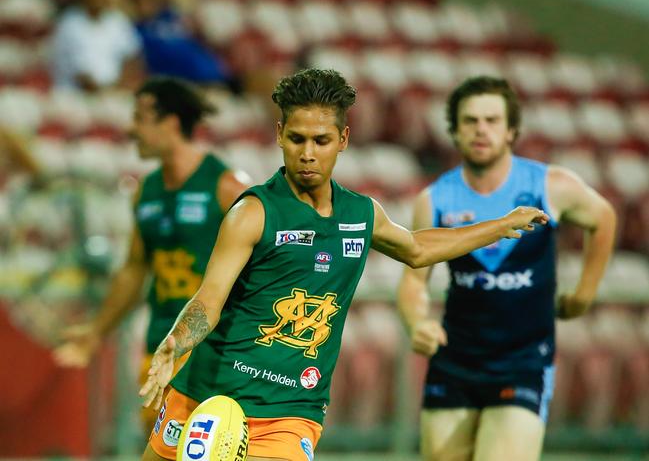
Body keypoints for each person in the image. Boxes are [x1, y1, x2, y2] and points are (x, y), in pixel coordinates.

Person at [138, 68, 549, 461]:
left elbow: (418, 248)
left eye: (321, 140)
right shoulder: (253, 213)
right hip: (208, 394)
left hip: (290, 409)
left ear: (343, 139)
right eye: (297, 139)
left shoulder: (362, 213)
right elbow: (209, 298)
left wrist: (499, 226)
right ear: (279, 135)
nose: (308, 154)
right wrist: (178, 340)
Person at [397, 76, 616, 461]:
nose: (481, 129)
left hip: (523, 362)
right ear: (454, 131)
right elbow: (414, 281)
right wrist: (418, 323)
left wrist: (583, 295)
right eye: (470, 120)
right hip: (455, 359)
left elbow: (603, 218)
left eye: (492, 119)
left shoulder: (551, 186)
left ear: (511, 129)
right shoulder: (435, 200)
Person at [53, 76, 250, 433]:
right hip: (159, 347)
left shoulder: (226, 188)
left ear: (170, 123)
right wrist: (97, 331)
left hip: (214, 352)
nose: (132, 129)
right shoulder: (146, 191)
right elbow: (134, 270)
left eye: (140, 118)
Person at [51, 0, 143, 92]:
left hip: (113, 89)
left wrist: (118, 85)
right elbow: (75, 68)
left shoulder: (118, 21)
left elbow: (131, 58)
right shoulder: (69, 23)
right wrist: (97, 89)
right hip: (75, 92)